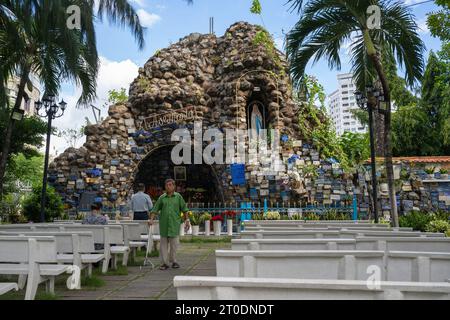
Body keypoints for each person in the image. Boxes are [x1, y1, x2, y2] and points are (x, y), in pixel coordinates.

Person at [148, 179, 190, 270]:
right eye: (167, 185)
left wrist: (187, 220)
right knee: (163, 245)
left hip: (174, 224)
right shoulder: (162, 198)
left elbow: (185, 209)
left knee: (174, 245)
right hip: (164, 224)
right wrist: (151, 219)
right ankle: (164, 263)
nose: (168, 187)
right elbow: (155, 209)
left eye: (170, 185)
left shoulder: (178, 197)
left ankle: (174, 261)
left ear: (174, 186)